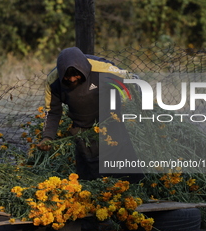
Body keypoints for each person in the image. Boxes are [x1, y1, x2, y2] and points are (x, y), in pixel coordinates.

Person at [37, 47, 144, 183]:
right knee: (90, 176)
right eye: (67, 76)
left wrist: (140, 105)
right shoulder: (53, 82)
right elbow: (52, 112)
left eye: (76, 74)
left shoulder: (102, 69)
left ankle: (134, 190)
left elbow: (132, 80)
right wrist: (47, 137)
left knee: (125, 168)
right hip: (83, 130)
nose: (71, 79)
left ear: (83, 69)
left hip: (110, 121)